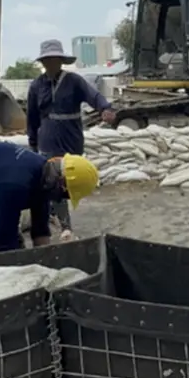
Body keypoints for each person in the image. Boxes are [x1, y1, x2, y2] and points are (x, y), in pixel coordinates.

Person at [26, 39, 116, 236]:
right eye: (47, 60)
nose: (51, 63)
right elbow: (32, 116)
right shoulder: (36, 86)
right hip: (48, 137)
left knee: (67, 178)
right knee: (52, 179)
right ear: (42, 62)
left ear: (61, 60)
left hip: (71, 136)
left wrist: (105, 108)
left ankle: (57, 215)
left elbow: (94, 96)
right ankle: (64, 224)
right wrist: (32, 141)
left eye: (55, 59)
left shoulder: (74, 81)